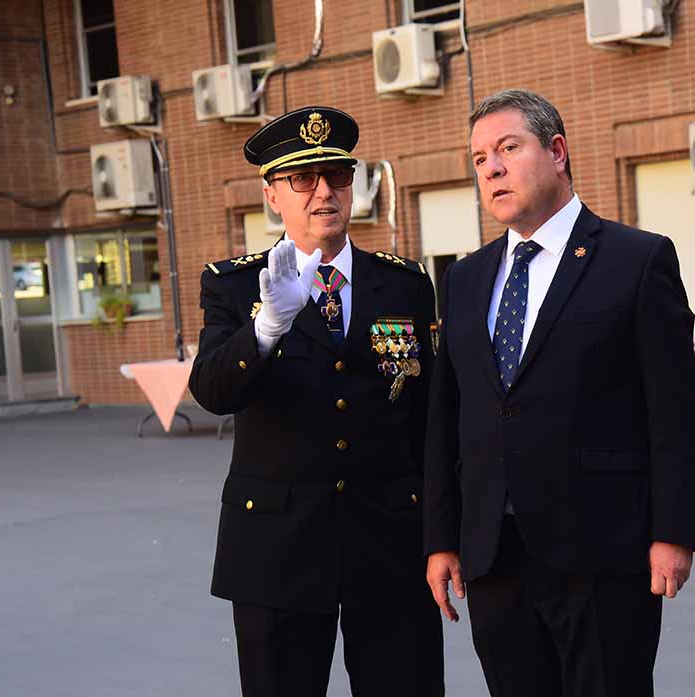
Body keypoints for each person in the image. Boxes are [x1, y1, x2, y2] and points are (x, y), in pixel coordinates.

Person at [423, 89, 695, 696]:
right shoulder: (466, 278)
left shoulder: (637, 260)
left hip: (601, 551)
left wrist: (674, 530)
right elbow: (449, 417)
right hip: (494, 555)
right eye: (478, 160)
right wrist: (443, 539)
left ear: (556, 152)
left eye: (507, 148)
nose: (492, 169)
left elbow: (674, 411)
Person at [189, 105, 443, 697]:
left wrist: (441, 533)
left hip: (388, 545)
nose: (323, 191)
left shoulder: (403, 283)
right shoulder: (234, 284)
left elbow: (427, 418)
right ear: (273, 194)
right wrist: (265, 329)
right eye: (303, 179)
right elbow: (212, 392)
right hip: (277, 551)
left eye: (337, 176)